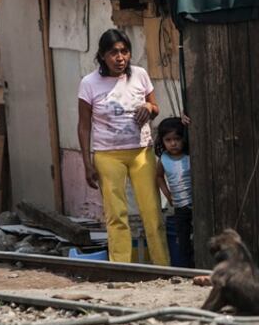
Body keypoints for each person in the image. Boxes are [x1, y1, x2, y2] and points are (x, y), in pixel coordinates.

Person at [77, 29, 169, 265]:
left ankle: (163, 268)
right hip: (108, 156)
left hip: (141, 152)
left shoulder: (139, 75)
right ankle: (121, 268)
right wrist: (87, 164)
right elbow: (84, 126)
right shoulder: (89, 83)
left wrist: (149, 109)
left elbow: (155, 106)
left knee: (152, 213)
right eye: (113, 53)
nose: (120, 58)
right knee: (116, 215)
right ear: (102, 56)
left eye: (125, 51)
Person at [155, 116, 193, 267]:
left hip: (195, 204)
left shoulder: (190, 155)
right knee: (183, 240)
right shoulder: (164, 159)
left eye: (177, 138)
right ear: (162, 142)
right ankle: (187, 269)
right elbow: (158, 177)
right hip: (179, 207)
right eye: (168, 140)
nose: (173, 143)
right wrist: (168, 195)